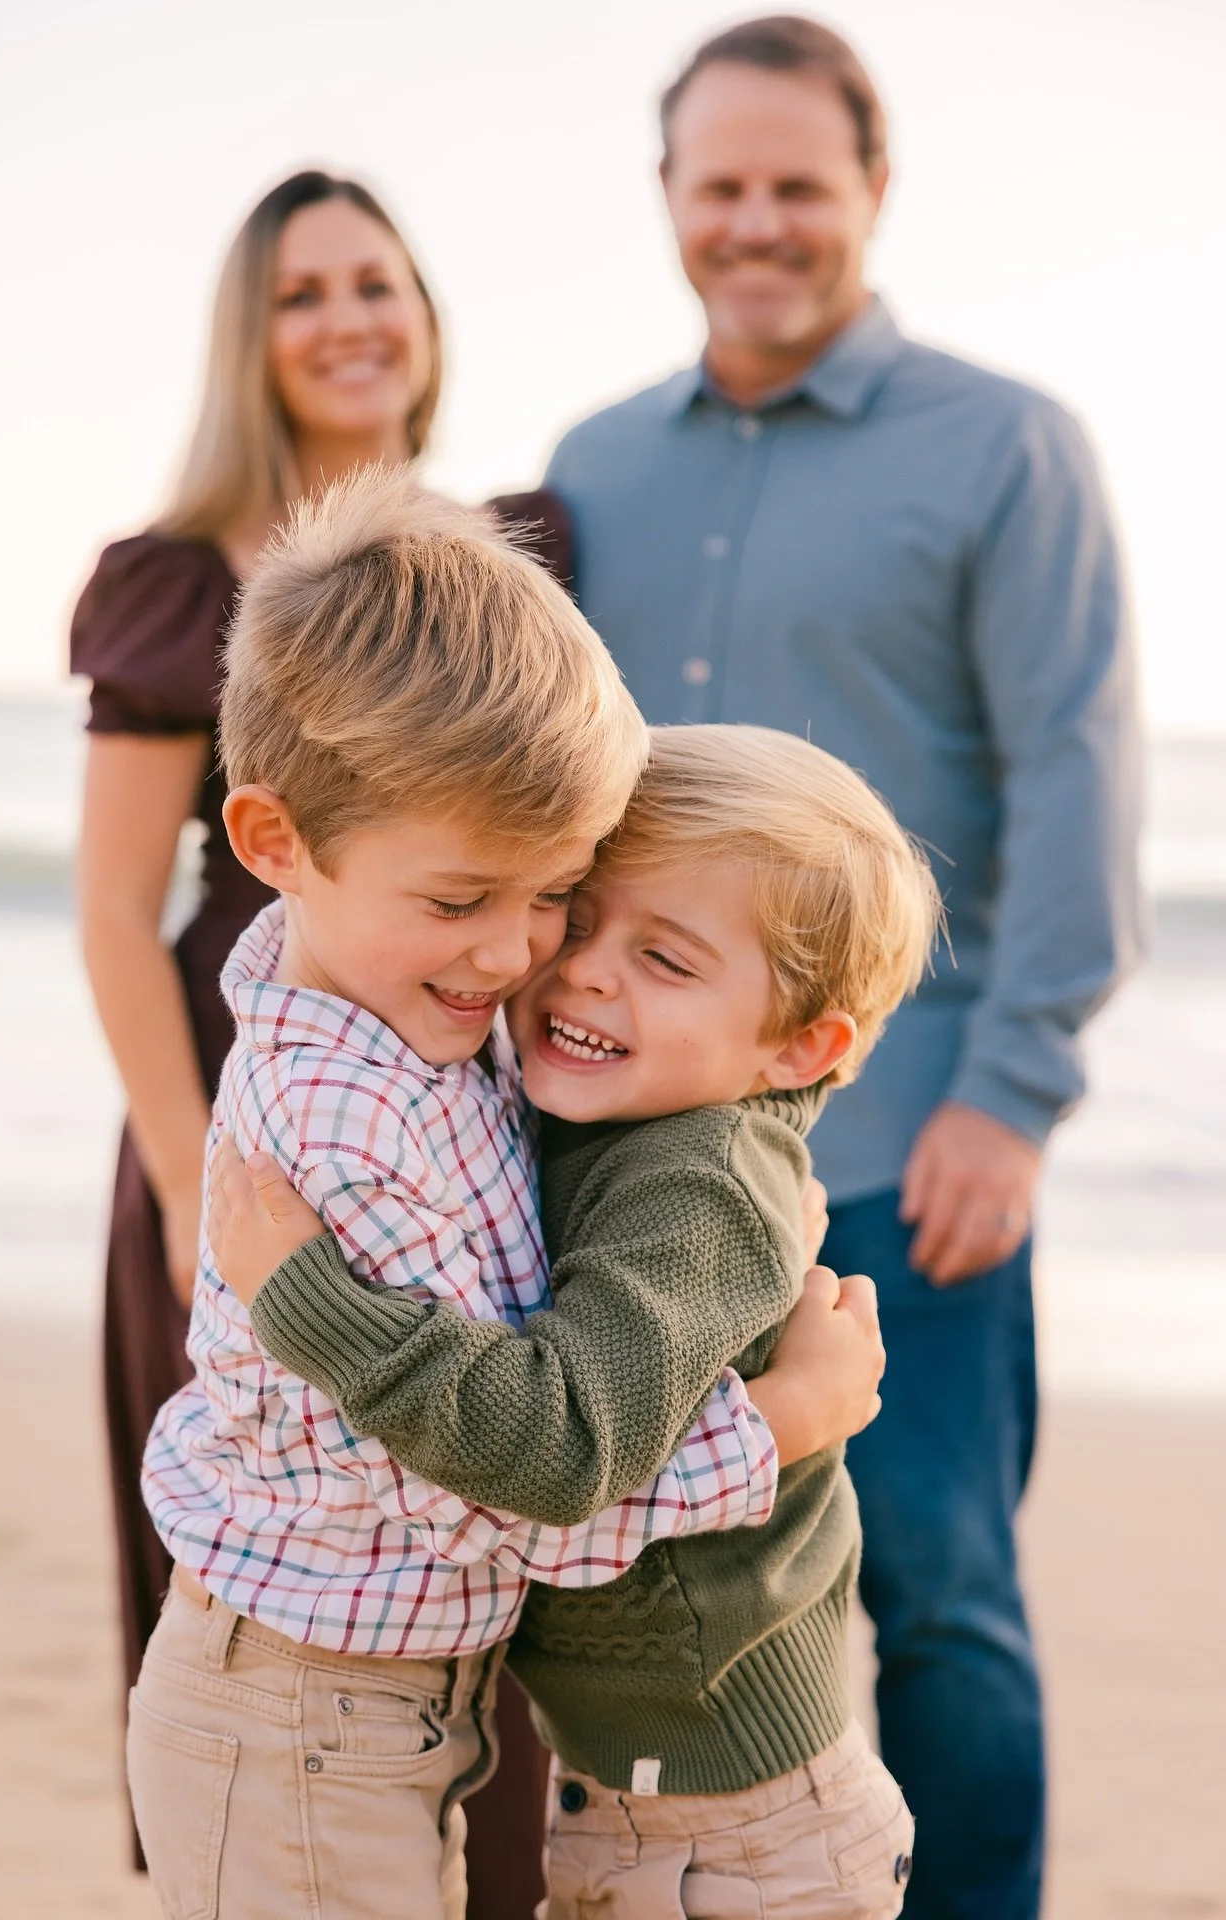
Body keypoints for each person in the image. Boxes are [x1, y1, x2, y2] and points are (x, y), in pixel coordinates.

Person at [533, 19, 1142, 1917]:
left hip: (905, 1142)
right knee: (656, 1595)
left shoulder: (1007, 447)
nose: (759, 222)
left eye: (799, 183)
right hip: (637, 1160)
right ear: (667, 202)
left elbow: (1078, 773)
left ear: (873, 189)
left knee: (938, 1597)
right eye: (721, 185)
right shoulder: (594, 464)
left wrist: (1013, 1094)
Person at [129, 470, 870, 1920]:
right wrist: (783, 1422)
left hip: (360, 1704)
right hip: (297, 1717)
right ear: (273, 846)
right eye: (465, 900)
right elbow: (523, 1499)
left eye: (557, 893)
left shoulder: (386, 999)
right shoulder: (356, 1129)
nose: (518, 954)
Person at [209, 723, 939, 1917]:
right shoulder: (598, 1106)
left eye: (668, 958)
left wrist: (307, 1301)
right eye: (576, 910)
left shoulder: (696, 1189)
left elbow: (557, 1447)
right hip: (650, 1797)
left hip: (739, 1839)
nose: (585, 970)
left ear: (799, 1045)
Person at [69, 168, 567, 1903]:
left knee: (494, 1554)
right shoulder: (174, 583)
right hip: (243, 1130)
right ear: (251, 340)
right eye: (303, 294)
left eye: (379, 281)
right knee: (252, 1559)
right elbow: (119, 913)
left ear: (425, 314)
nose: (349, 318)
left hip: (473, 1116)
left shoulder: (516, 554)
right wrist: (201, 1182)